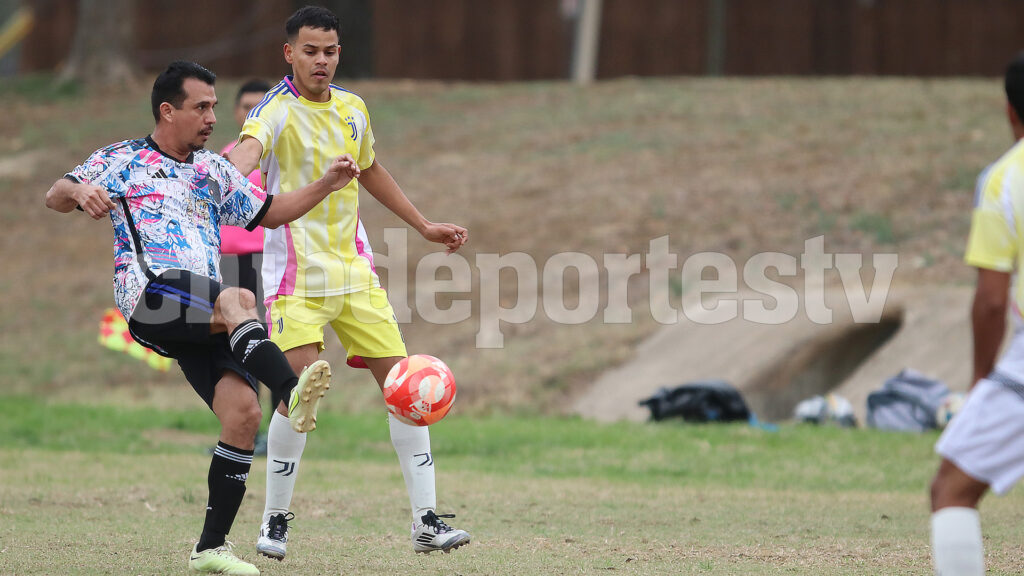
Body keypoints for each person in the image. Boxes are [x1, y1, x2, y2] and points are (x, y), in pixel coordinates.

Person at [45, 60, 360, 575]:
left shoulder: (213, 169)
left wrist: (326, 185)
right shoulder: (122, 158)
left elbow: (269, 212)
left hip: (202, 308)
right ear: (168, 111)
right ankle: (291, 390)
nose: (213, 117)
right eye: (202, 107)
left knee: (242, 416)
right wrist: (80, 192)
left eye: (214, 106)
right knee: (238, 300)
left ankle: (210, 548)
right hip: (151, 295)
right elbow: (54, 193)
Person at [228, 5, 470, 559]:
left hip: (355, 276)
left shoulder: (354, 109)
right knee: (297, 393)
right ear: (289, 53)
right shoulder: (275, 110)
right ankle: (274, 523)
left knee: (407, 393)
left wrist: (425, 225)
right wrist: (224, 173)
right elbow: (248, 149)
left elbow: (372, 170)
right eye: (310, 50)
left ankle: (427, 522)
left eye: (330, 51)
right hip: (295, 280)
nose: (322, 61)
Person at [929, 52, 1024, 576]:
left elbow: (991, 300)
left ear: (1011, 112)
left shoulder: (1006, 178)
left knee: (952, 490)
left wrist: (981, 379)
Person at [220, 79, 272, 456]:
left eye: (259, 106)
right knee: (237, 345)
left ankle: (274, 428)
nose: (250, 113)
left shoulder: (277, 158)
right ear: (236, 112)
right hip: (228, 265)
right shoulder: (223, 157)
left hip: (266, 262)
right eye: (245, 106)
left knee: (272, 341)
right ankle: (242, 428)